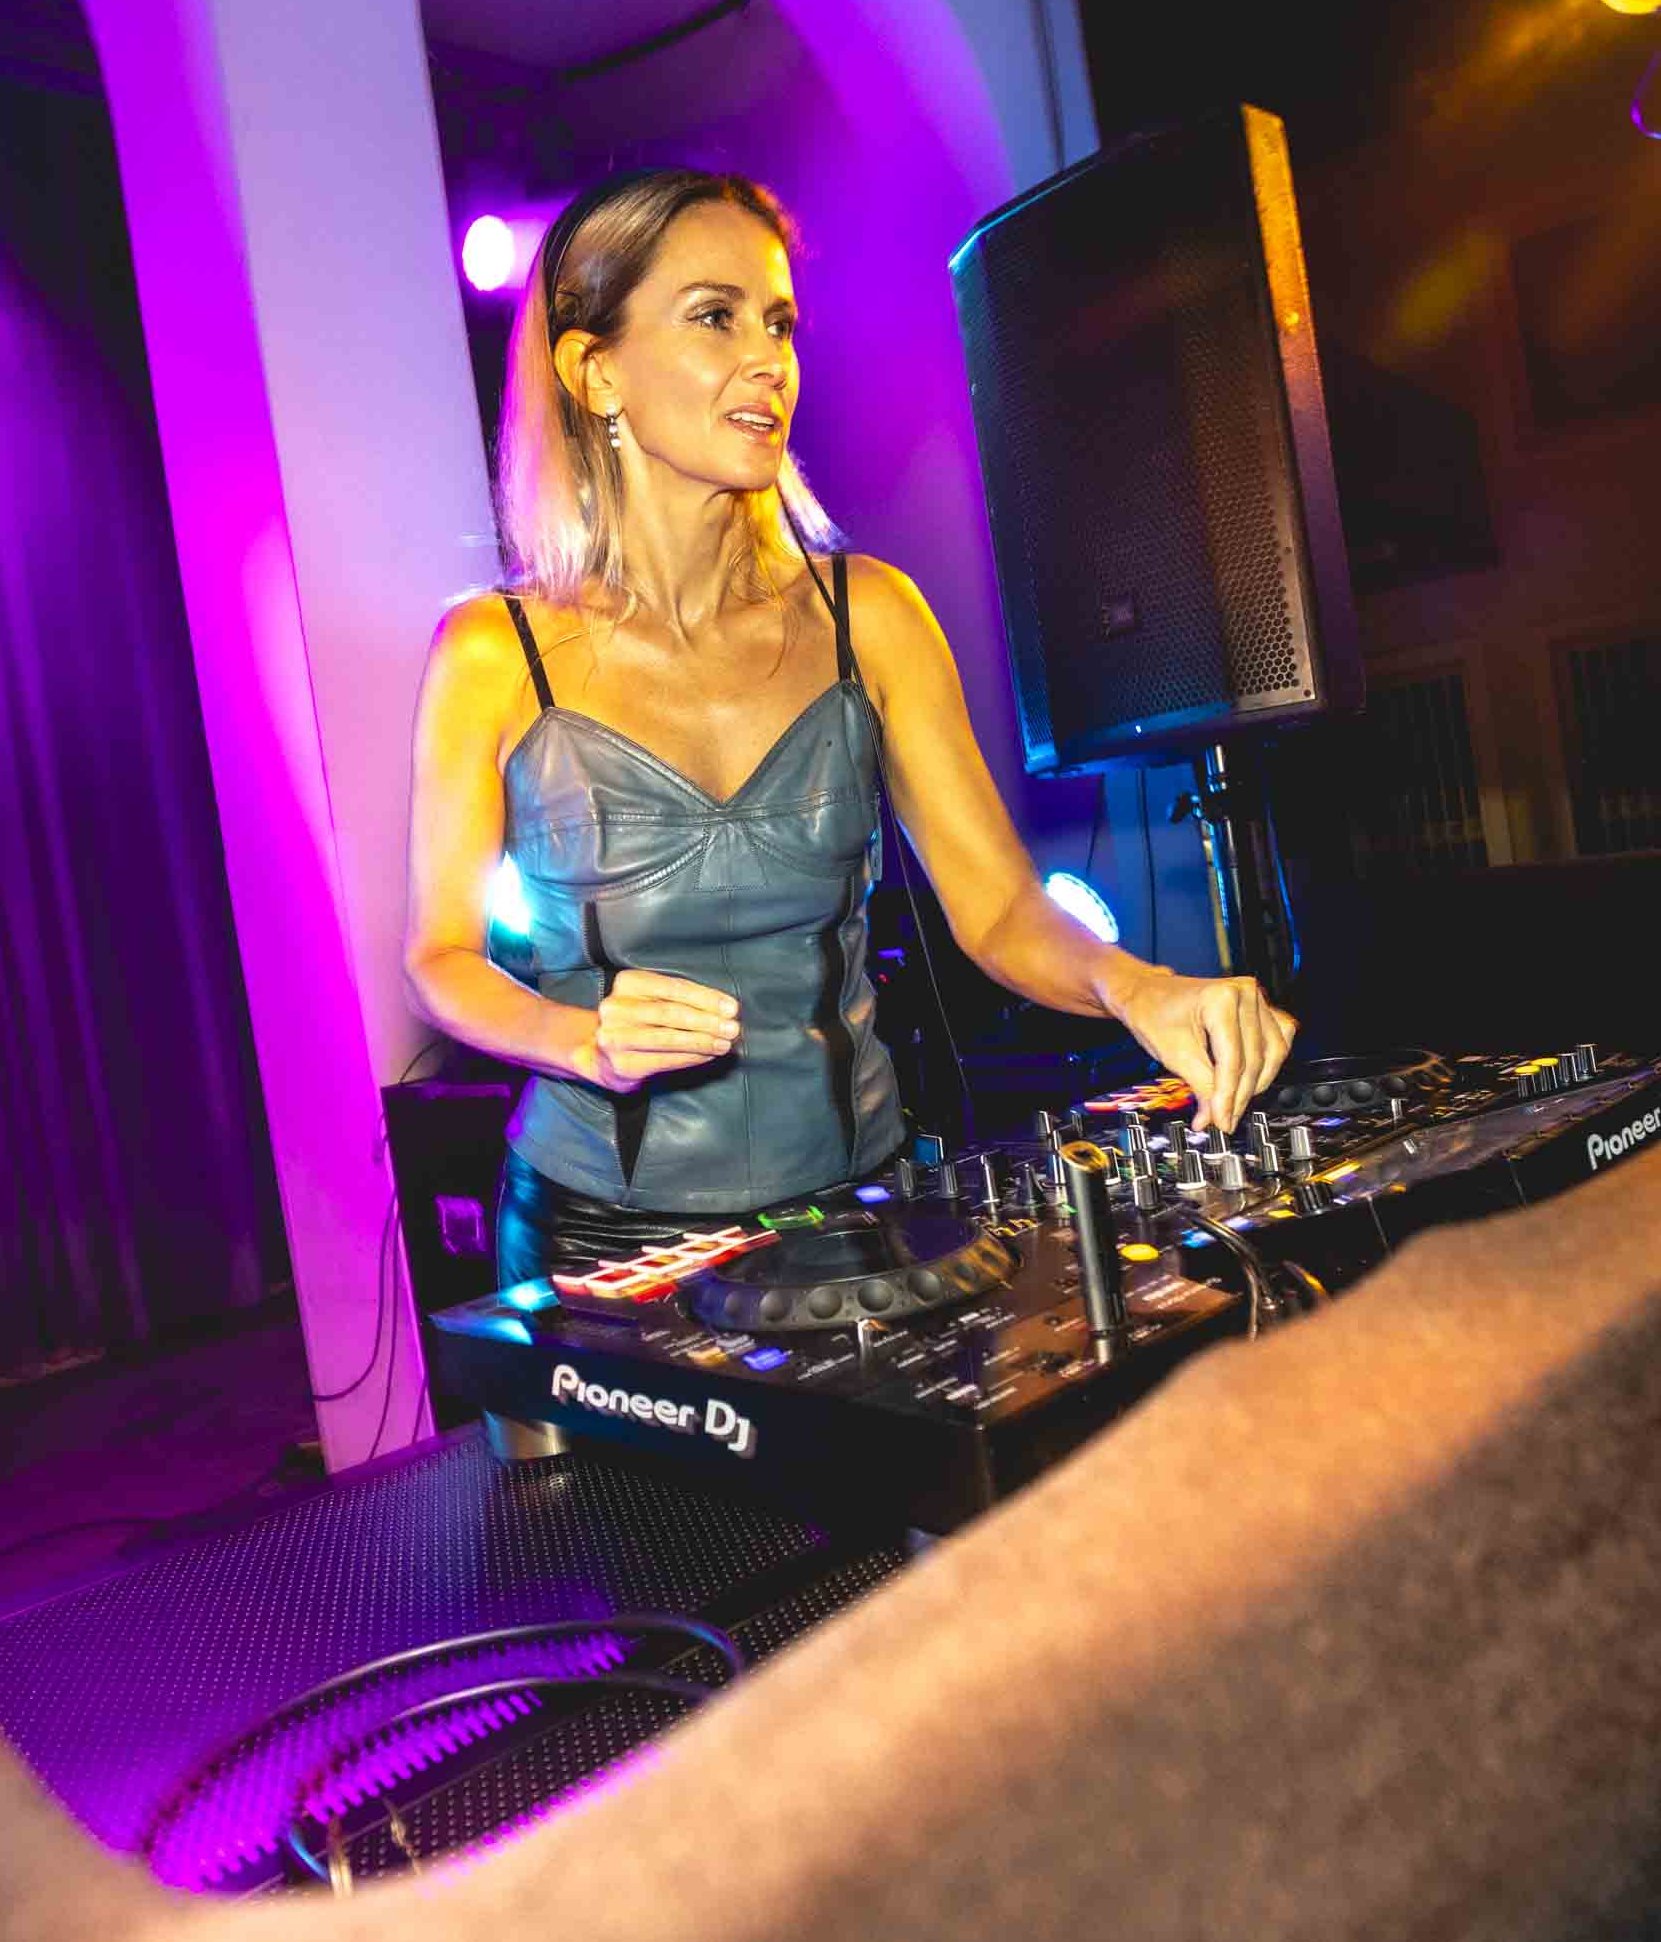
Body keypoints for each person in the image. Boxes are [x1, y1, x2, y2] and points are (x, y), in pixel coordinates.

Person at [401, 169, 1294, 1287]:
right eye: (715, 317)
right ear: (596, 372)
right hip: (599, 1238)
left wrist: (1137, 985)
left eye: (778, 323)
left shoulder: (869, 614)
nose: (768, 360)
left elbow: (1000, 911)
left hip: (857, 1207)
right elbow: (438, 958)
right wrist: (578, 1039)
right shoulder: (493, 652)